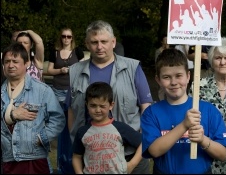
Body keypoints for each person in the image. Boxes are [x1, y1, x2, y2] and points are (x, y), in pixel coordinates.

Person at [66, 20, 153, 174]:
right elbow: (72, 110)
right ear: (87, 44)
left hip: (130, 153)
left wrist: (134, 160)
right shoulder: (75, 72)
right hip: (93, 156)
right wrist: (76, 140)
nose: (99, 47)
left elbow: (146, 107)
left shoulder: (132, 68)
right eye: (94, 42)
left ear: (113, 42)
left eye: (104, 41)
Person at [141, 48, 226, 174]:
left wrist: (203, 139)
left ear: (188, 76)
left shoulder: (208, 110)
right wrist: (184, 125)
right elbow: (154, 151)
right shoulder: (151, 113)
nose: (173, 82)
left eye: (179, 76)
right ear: (158, 80)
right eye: (166, 77)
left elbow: (222, 155)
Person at [1, 42, 65, 174]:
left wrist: (42, 138)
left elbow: (58, 119)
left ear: (26, 64)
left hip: (35, 159)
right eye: (7, 61)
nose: (10, 65)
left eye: (15, 61)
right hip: (7, 158)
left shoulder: (42, 90)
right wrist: (11, 116)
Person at [189, 37, 226, 174]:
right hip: (207, 150)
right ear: (211, 61)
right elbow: (190, 117)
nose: (222, 62)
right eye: (218, 58)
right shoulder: (198, 86)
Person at [72, 82, 142, 174]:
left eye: (102, 106)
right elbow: (76, 156)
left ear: (111, 105)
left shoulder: (120, 128)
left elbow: (143, 142)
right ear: (87, 104)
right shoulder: (82, 132)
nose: (97, 110)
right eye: (93, 106)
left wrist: (132, 164)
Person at [46, 28, 84, 174]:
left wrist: (72, 71)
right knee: (58, 126)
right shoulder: (54, 52)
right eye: (64, 36)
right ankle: (60, 163)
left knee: (72, 127)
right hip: (56, 91)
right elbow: (49, 70)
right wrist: (60, 70)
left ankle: (71, 163)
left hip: (73, 92)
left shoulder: (78, 51)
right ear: (60, 38)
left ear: (72, 38)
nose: (66, 39)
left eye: (69, 36)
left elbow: (83, 68)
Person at [155, 34, 169, 100]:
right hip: (161, 71)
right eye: (165, 40)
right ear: (162, 42)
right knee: (161, 88)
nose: (167, 41)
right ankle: (161, 102)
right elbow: (157, 62)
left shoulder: (170, 51)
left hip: (169, 71)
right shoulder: (158, 51)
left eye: (167, 40)